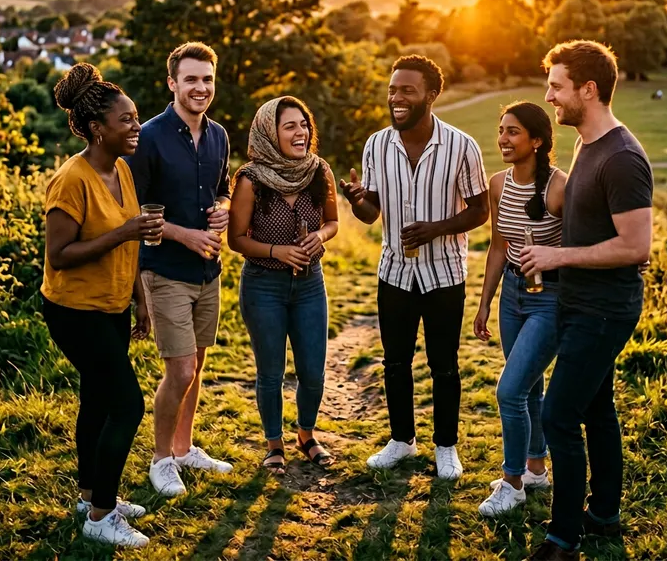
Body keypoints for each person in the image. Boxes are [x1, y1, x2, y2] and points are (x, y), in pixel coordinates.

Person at [520, 41, 653, 561]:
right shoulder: (586, 144)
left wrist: (558, 258)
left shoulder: (621, 158)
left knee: (557, 416)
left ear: (588, 90)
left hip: (603, 311)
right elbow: (610, 231)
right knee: (597, 410)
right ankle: (603, 515)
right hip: (581, 303)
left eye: (557, 86)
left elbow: (636, 245)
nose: (549, 96)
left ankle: (563, 540)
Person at [340, 55, 489, 480]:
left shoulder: (462, 146)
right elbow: (372, 214)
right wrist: (356, 200)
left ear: (431, 94)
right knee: (395, 362)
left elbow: (480, 209)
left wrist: (436, 229)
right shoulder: (375, 145)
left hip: (445, 273)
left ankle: (446, 447)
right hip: (394, 274)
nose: (396, 98)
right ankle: (402, 440)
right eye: (392, 89)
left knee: (444, 364)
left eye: (407, 90)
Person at [42, 63, 163, 549]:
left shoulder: (122, 171)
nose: (136, 127)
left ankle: (89, 493)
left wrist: (141, 300)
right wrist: (125, 232)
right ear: (97, 129)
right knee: (127, 405)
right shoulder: (72, 179)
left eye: (136, 118)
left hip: (112, 305)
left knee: (96, 399)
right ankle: (101, 515)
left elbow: (130, 239)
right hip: (74, 310)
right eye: (127, 120)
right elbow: (59, 255)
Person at [127, 42, 233, 498]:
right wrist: (185, 234)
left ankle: (185, 447)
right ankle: (161, 459)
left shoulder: (220, 136)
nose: (200, 88)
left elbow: (223, 188)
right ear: (171, 83)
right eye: (191, 79)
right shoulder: (147, 137)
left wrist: (225, 209)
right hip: (164, 269)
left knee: (199, 361)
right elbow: (133, 213)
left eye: (207, 79)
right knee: (182, 369)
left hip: (209, 271)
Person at [228, 97, 339, 475]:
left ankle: (306, 436)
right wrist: (278, 250)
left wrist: (321, 237)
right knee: (271, 372)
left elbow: (333, 222)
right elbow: (237, 239)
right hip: (263, 286)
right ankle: (274, 444)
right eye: (289, 125)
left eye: (303, 124)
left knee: (313, 371)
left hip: (310, 285)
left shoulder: (318, 171)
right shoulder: (250, 179)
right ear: (268, 133)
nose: (301, 132)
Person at [473, 102, 566, 516]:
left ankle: (511, 484)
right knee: (529, 386)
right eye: (501, 130)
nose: (503, 139)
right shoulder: (498, 184)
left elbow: (578, 247)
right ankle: (535, 468)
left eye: (513, 132)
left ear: (537, 140)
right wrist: (484, 302)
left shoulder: (559, 188)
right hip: (512, 292)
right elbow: (498, 245)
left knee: (509, 390)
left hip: (551, 298)